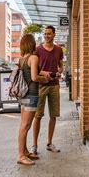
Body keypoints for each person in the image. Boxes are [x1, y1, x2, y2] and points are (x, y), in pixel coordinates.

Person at [30, 25, 64, 155]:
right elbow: (35, 69)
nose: (46, 36)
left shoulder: (59, 50)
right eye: (45, 34)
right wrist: (45, 73)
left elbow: (61, 64)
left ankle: (49, 143)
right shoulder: (37, 50)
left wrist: (60, 70)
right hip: (41, 85)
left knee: (53, 115)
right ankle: (34, 145)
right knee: (38, 116)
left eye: (49, 34)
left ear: (54, 35)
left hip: (54, 85)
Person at [17, 34, 48, 165]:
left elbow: (29, 73)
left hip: (23, 95)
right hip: (31, 95)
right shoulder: (34, 57)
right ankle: (20, 156)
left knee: (23, 126)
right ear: (32, 44)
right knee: (25, 126)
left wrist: (43, 73)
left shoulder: (22, 59)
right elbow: (34, 77)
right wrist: (44, 79)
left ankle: (24, 152)